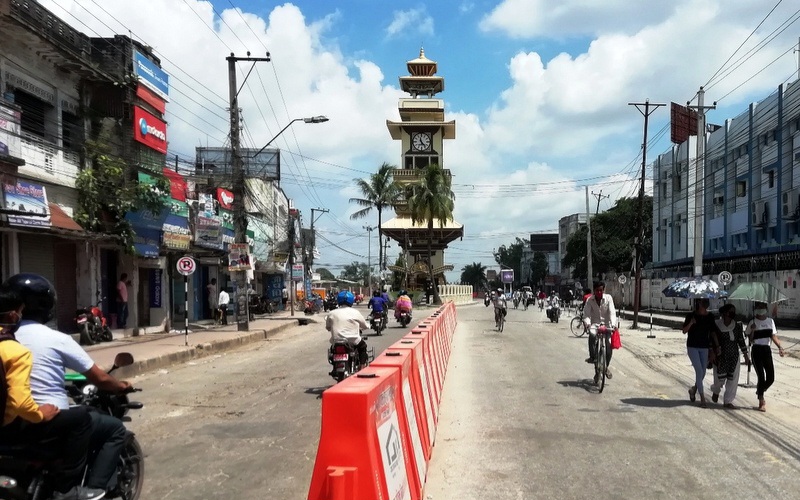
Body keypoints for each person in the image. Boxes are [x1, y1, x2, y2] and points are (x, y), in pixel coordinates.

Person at [6, 273, 132, 498]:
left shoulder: (5, 336)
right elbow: (100, 379)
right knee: (112, 428)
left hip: (8, 426)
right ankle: (77, 489)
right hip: (43, 422)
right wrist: (120, 386)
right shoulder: (55, 338)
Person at [682, 298, 721, 408]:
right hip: (692, 347)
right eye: (704, 301)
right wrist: (691, 323)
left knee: (703, 372)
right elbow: (684, 330)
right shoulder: (691, 316)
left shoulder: (710, 317)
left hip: (704, 348)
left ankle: (693, 390)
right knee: (699, 370)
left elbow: (713, 333)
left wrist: (716, 347)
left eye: (707, 301)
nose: (706, 303)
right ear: (699, 303)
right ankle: (702, 398)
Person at [747, 302, 786, 412]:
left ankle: (760, 391)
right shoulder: (752, 322)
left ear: (765, 308)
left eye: (762, 307)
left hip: (766, 350)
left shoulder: (770, 321)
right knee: (761, 375)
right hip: (756, 349)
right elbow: (750, 339)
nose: (761, 309)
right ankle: (761, 400)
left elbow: (773, 336)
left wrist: (780, 347)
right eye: (758, 307)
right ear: (756, 309)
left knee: (771, 377)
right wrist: (753, 330)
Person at [711, 303, 750, 409]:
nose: (732, 313)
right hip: (720, 356)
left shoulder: (737, 325)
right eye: (730, 311)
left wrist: (746, 355)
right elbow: (711, 339)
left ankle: (728, 400)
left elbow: (741, 340)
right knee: (719, 377)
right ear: (724, 313)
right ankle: (716, 390)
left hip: (734, 355)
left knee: (733, 378)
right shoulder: (716, 324)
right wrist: (712, 352)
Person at [583, 282, 618, 382]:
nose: (599, 292)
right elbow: (586, 314)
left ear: (603, 290)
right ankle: (592, 357)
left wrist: (613, 324)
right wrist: (588, 324)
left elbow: (612, 312)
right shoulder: (590, 300)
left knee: (609, 346)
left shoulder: (608, 298)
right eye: (597, 290)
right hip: (595, 324)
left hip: (607, 325)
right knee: (592, 335)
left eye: (601, 290)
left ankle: (605, 367)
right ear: (594, 291)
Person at [325, 291, 369, 367]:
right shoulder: (355, 312)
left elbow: (328, 327)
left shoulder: (332, 313)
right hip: (353, 340)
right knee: (363, 347)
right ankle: (362, 367)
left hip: (336, 340)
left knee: (333, 350)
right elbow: (364, 325)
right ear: (351, 301)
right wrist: (367, 326)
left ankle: (335, 366)